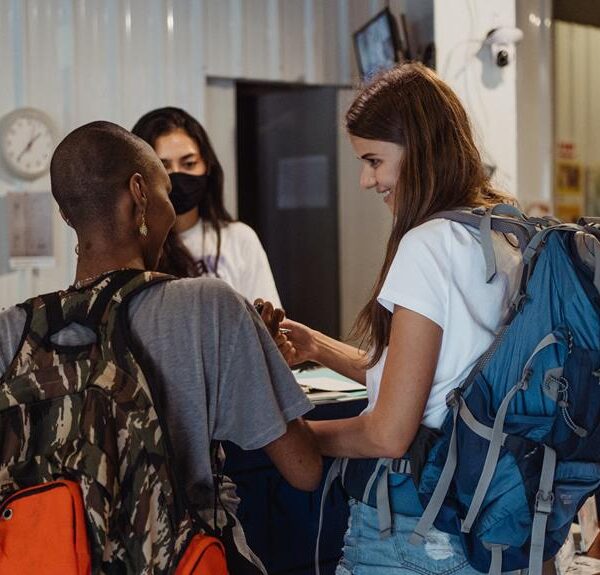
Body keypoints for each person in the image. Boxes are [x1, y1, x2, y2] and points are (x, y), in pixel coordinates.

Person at [0, 121, 321, 573]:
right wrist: (263, 360)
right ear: (139, 193)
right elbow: (303, 470)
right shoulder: (210, 306)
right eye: (165, 188)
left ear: (68, 215)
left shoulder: (13, 331)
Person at [276, 63, 523, 574]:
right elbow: (440, 376)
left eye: (374, 160)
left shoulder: (427, 244)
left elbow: (389, 433)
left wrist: (294, 437)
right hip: (497, 521)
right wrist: (319, 348)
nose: (367, 180)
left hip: (417, 531)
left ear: (420, 148)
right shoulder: (504, 230)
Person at [132, 107, 282, 307]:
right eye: (164, 166)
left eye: (189, 163)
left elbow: (270, 325)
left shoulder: (238, 239)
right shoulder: (131, 247)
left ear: (207, 166)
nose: (176, 175)